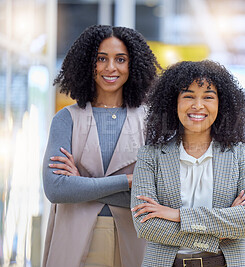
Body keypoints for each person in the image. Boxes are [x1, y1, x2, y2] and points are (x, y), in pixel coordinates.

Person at [42, 25, 159, 267]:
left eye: (120, 59)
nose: (110, 68)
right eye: (101, 59)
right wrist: (128, 181)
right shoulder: (66, 119)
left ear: (133, 65)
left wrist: (82, 186)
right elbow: (56, 190)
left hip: (133, 237)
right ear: (87, 63)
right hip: (74, 237)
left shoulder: (150, 120)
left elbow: (157, 197)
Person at [130, 60, 245, 267]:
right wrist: (220, 232)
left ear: (222, 104)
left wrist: (177, 215)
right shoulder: (150, 156)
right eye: (188, 96)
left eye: (208, 97)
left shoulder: (241, 154)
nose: (198, 105)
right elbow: (146, 225)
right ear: (172, 102)